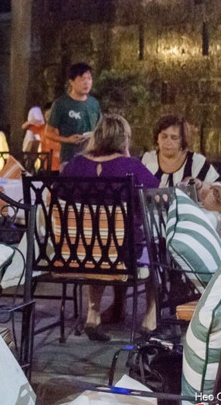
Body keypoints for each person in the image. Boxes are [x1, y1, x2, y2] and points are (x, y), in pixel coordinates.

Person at [62, 113, 159, 341]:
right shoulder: (131, 167)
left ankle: (93, 314)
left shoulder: (75, 165)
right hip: (123, 254)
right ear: (124, 139)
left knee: (96, 239)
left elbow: (56, 199)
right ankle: (150, 316)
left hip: (78, 253)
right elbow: (156, 198)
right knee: (157, 245)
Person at [141, 114, 220, 188]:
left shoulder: (198, 163)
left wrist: (201, 185)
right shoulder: (145, 161)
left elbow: (218, 189)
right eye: (164, 137)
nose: (168, 142)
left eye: (174, 138)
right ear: (157, 139)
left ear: (183, 140)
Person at [45, 63, 101, 166]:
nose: (87, 82)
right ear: (71, 82)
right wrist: (68, 140)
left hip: (92, 157)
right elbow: (48, 132)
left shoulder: (94, 103)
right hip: (69, 158)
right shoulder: (61, 104)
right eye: (82, 79)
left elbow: (100, 127)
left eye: (89, 78)